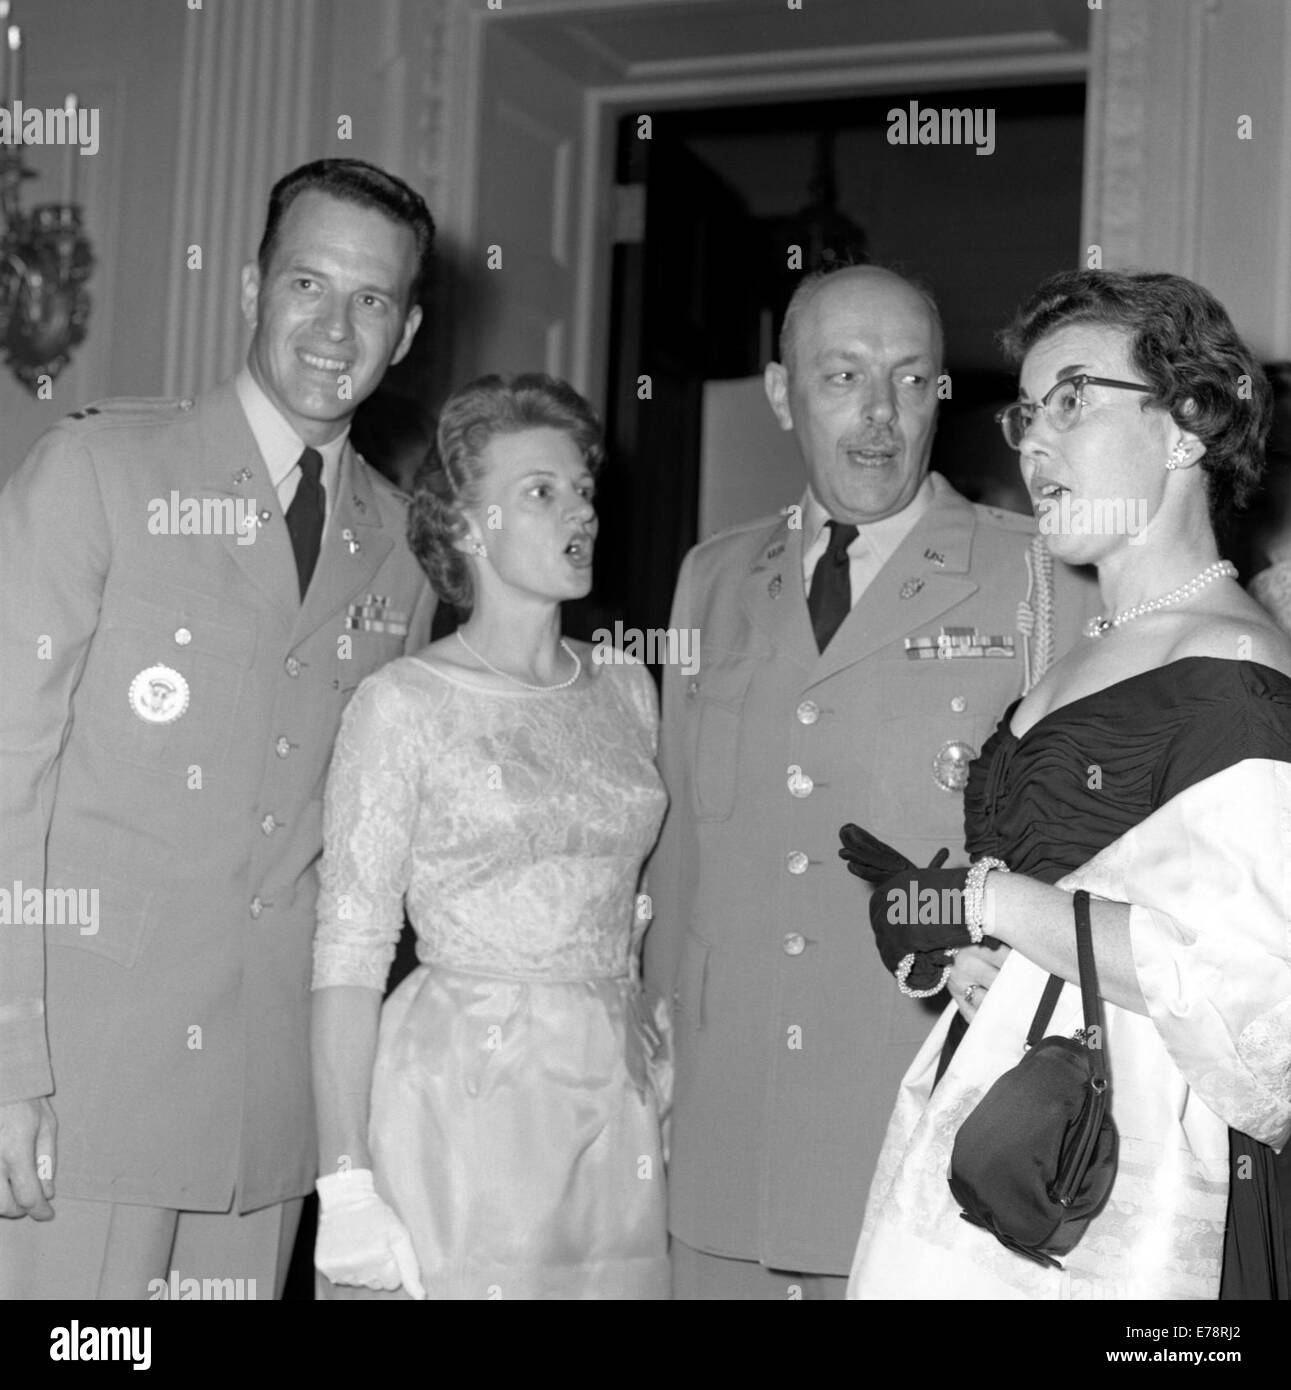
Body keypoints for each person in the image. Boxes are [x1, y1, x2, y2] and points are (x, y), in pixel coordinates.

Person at [0, 157, 436, 1299]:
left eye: (373, 301)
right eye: (308, 285)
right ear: (251, 289)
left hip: (266, 1116)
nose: (336, 329)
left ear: (408, 331)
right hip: (82, 1089)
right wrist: (5, 1064)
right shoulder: (99, 471)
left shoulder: (401, 549)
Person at [642, 263, 1097, 1299]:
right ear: (779, 393)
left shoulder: (1040, 576)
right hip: (726, 1132)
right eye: (841, 376)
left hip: (925, 1120)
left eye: (909, 377)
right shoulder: (709, 578)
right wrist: (657, 1063)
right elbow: (681, 856)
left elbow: (1087, 860)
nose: (879, 413)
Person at [846, 268, 1291, 1300]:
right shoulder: (1079, 654)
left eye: (1074, 401)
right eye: (1025, 413)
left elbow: (1252, 990)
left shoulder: (1236, 673)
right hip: (1013, 1140)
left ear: (1187, 424)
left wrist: (987, 900)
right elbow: (1061, 899)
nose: (1034, 441)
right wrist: (962, 950)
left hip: (1144, 1188)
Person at [311, 373, 669, 1300]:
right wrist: (344, 1181)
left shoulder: (627, 685)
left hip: (616, 1093)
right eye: (540, 493)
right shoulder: (403, 706)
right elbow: (349, 953)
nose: (578, 512)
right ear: (468, 526)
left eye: (582, 489)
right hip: (463, 1094)